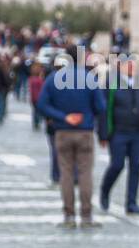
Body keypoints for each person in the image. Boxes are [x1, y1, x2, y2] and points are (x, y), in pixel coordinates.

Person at [36, 55, 104, 228]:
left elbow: (42, 105)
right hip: (85, 131)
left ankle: (69, 215)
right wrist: (88, 115)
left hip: (63, 130)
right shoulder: (89, 77)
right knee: (85, 174)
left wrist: (64, 116)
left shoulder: (53, 78)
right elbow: (101, 107)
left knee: (66, 174)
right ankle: (86, 215)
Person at [98, 58, 139, 214]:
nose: (132, 67)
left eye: (134, 65)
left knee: (136, 167)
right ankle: (105, 190)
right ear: (121, 67)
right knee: (117, 165)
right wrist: (103, 134)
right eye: (128, 65)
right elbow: (104, 110)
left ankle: (131, 203)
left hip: (137, 133)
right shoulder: (112, 84)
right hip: (118, 132)